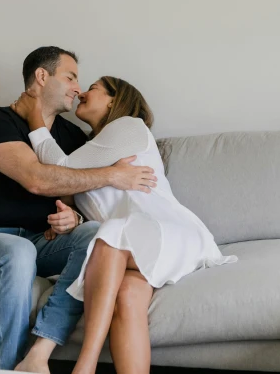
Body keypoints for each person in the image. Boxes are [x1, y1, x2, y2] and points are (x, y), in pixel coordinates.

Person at [13, 76, 237, 374]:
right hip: (136, 247)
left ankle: (85, 367)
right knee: (127, 298)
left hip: (165, 230)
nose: (81, 91)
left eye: (92, 88)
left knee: (109, 237)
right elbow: (98, 203)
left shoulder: (129, 126)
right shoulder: (96, 151)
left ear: (113, 100)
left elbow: (60, 170)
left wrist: (34, 118)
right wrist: (75, 219)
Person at [0, 47, 158, 373]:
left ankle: (39, 355)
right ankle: (10, 368)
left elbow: (79, 200)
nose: (78, 88)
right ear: (42, 76)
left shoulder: (72, 136)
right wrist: (113, 175)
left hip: (43, 241)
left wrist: (73, 219)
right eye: (71, 77)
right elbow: (36, 179)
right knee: (18, 252)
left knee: (94, 236)